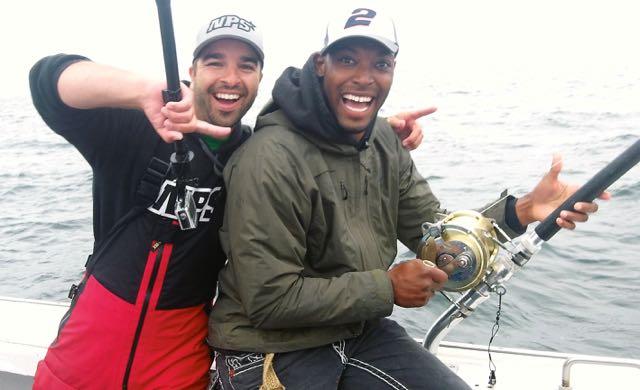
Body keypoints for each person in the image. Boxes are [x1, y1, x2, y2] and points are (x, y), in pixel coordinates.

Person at [208, 8, 608, 390]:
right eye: (347, 60)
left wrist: (521, 211)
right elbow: (270, 301)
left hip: (358, 329)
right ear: (320, 65)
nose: (364, 78)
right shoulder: (268, 159)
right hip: (267, 348)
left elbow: (434, 236)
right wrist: (387, 288)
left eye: (380, 65)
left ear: (393, 70)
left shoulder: (383, 140)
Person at [29, 12, 428, 389]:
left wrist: (372, 132)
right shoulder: (138, 127)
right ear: (192, 72)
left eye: (247, 66)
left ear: (259, 78)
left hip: (183, 348)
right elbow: (47, 81)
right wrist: (139, 92)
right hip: (90, 338)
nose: (231, 78)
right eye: (215, 62)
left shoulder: (252, 153)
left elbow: (312, 145)